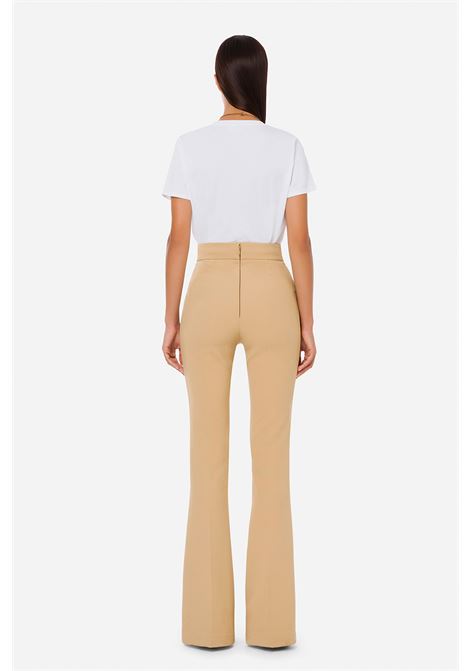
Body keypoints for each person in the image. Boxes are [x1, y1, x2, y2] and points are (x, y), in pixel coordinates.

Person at [161, 34, 317, 650]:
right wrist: (308, 322)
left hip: (208, 288)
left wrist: (170, 318)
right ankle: (273, 629)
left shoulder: (189, 146)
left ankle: (206, 627)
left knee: (207, 461)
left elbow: (178, 238)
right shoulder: (287, 146)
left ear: (218, 81)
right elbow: (299, 241)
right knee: (272, 463)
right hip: (275, 289)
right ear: (260, 79)